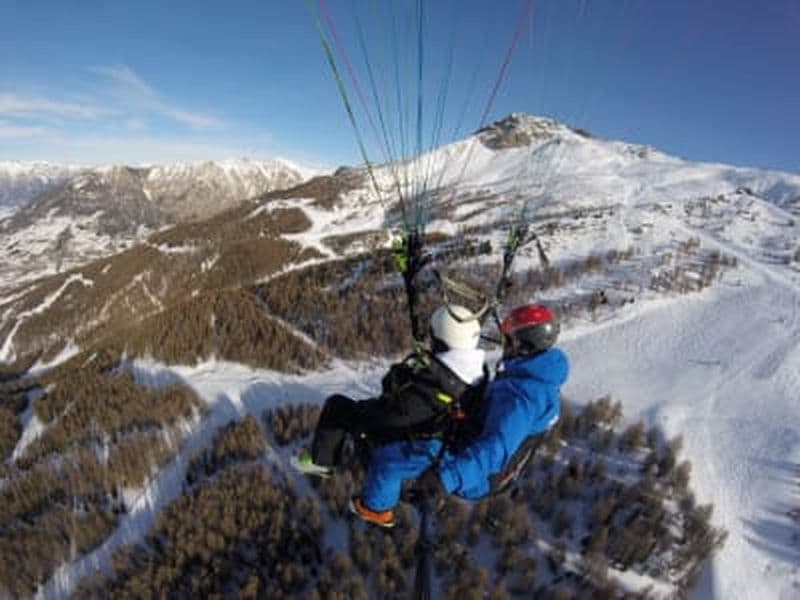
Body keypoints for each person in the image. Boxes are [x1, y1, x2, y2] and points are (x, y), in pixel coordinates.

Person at [292, 304, 487, 526]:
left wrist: (374, 402)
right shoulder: (473, 373)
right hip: (441, 432)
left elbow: (389, 417)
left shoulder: (436, 387)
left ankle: (326, 464)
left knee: (339, 408)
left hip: (422, 437)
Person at [416, 303, 569, 505]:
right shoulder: (534, 375)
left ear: (525, 346)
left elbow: (493, 449)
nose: (505, 346)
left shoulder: (521, 400)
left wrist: (445, 479)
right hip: (480, 451)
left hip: (477, 477)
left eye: (509, 341)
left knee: (406, 444)